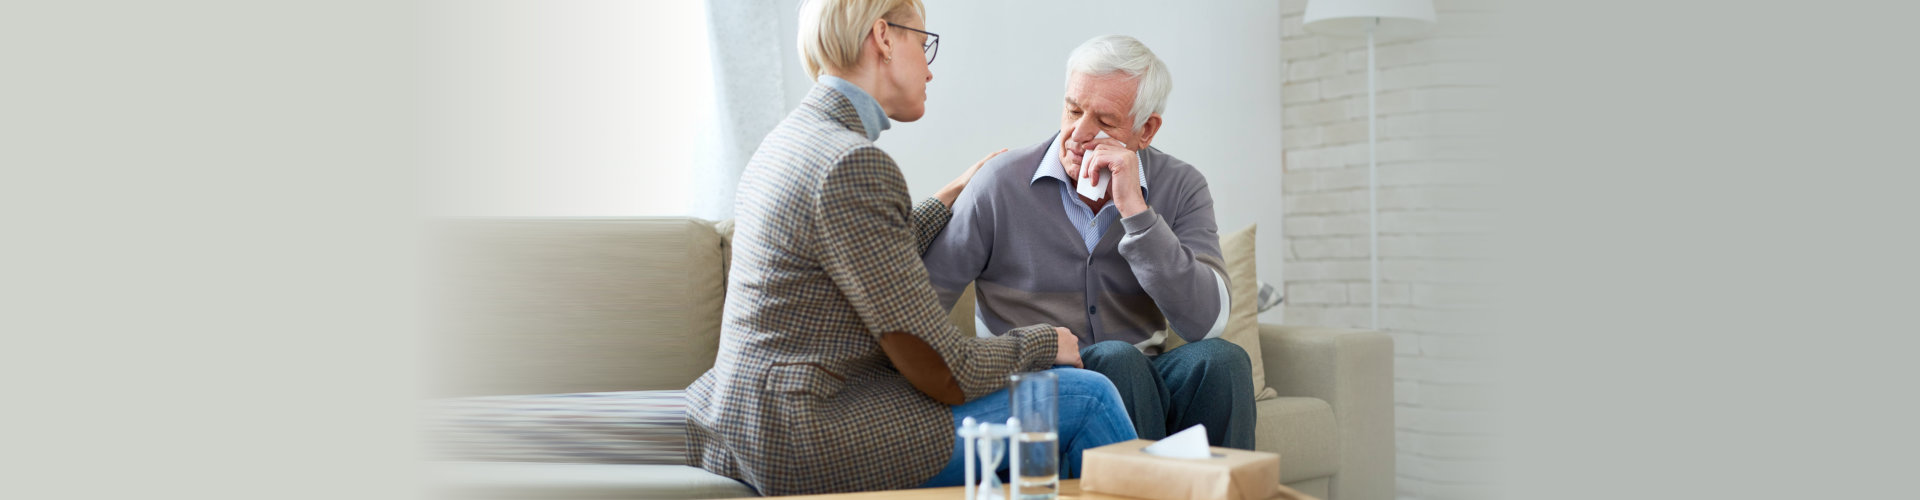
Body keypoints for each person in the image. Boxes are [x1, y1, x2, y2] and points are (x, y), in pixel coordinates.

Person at [682, 1, 1134, 495]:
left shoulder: (790, 141)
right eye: (924, 44)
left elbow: (856, 253)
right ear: (884, 38)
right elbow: (944, 369)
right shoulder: (853, 164)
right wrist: (1047, 342)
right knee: (1088, 397)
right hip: (806, 436)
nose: (930, 70)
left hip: (747, 422)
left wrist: (944, 200)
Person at [921, 35, 1256, 450]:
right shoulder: (999, 183)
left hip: (1143, 373)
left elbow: (1207, 323)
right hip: (1040, 382)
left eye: (1105, 121)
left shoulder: (1182, 185)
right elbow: (921, 307)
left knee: (1222, 361)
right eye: (1073, 110)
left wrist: (1137, 212)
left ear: (1146, 129)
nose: (1078, 133)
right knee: (1116, 359)